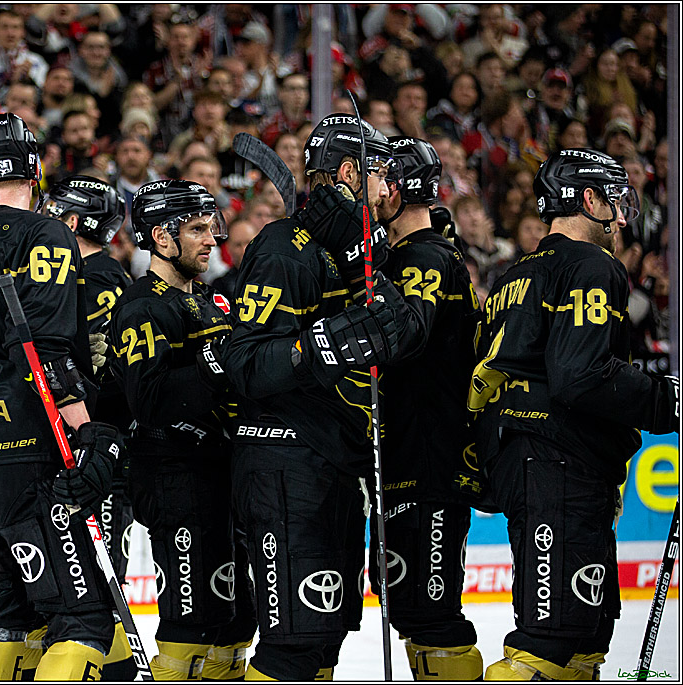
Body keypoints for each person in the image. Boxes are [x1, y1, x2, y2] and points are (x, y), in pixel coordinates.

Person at [0, 113, 123, 680]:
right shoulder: (44, 233)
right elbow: (49, 350)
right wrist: (86, 433)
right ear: (35, 170)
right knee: (82, 619)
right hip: (30, 448)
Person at [468, 149, 678, 680]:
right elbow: (580, 374)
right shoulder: (589, 266)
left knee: (581, 643)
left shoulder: (518, 273)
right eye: (617, 202)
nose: (624, 218)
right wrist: (665, 399)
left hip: (533, 465)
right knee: (550, 643)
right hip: (559, 467)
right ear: (589, 200)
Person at [221, 114, 403, 680]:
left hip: (331, 462)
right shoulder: (284, 247)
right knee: (293, 648)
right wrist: (325, 343)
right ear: (349, 172)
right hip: (286, 466)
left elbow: (400, 329)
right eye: (379, 173)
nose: (388, 187)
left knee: (320, 642)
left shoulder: (359, 250)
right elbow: (246, 365)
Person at [108, 179, 256, 679]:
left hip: (223, 473)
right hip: (175, 478)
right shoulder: (141, 307)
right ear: (161, 239)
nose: (211, 239)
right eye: (197, 229)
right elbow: (148, 400)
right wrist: (218, 361)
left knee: (237, 622)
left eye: (212, 227)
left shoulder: (213, 300)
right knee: (191, 624)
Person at [373, 137, 485, 679]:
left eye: (377, 180)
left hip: (430, 462)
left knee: (433, 613)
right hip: (406, 459)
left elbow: (402, 340)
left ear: (396, 188)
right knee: (413, 608)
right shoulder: (414, 254)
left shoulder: (424, 258)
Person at [37, 174, 141, 681]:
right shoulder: (113, 276)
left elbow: (89, 374)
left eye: (57, 212)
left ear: (73, 222)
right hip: (101, 450)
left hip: (86, 452)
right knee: (100, 594)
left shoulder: (91, 279)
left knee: (88, 600)